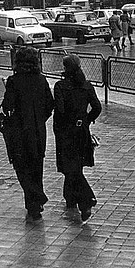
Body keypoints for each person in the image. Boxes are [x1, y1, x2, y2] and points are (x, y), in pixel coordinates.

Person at [1, 47, 54, 221]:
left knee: (22, 168)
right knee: (36, 168)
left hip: (19, 131)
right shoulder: (41, 80)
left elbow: (8, 106)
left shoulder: (13, 81)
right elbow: (49, 105)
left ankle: (36, 199)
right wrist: (39, 119)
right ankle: (34, 206)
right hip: (38, 131)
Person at [53, 54, 102, 223]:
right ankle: (70, 198)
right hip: (81, 131)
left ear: (65, 68)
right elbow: (97, 107)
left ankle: (86, 199)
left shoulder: (60, 86)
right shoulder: (86, 86)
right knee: (75, 166)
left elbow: (59, 111)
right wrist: (86, 120)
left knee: (70, 167)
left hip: (66, 132)